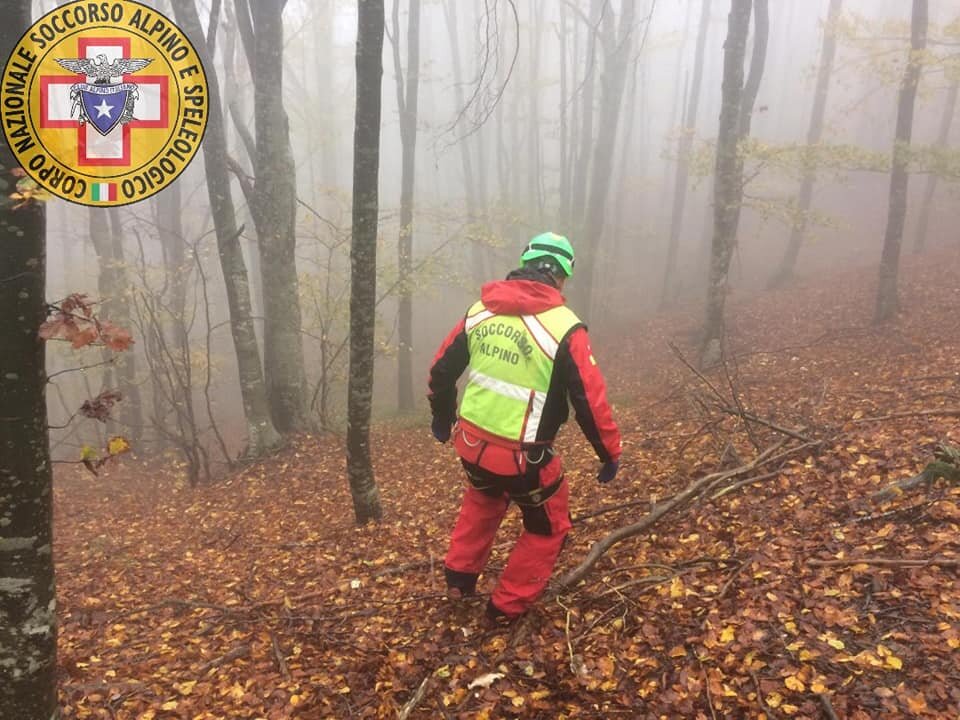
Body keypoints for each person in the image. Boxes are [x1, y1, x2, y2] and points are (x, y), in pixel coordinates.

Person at [428, 232, 622, 621]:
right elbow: (589, 400)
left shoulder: (480, 312)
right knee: (548, 526)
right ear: (562, 275)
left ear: (524, 263)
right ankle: (506, 607)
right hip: (525, 459)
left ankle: (459, 579)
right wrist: (609, 453)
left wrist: (441, 416)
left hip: (470, 445)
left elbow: (441, 371)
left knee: (484, 498)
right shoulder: (565, 327)